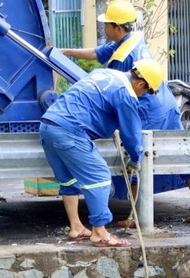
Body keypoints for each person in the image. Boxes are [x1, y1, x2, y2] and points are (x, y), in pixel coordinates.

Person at [61, 0, 190, 224]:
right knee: (182, 152)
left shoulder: (123, 59)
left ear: (117, 27)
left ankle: (136, 216)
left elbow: (116, 91)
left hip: (148, 109)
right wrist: (66, 52)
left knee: (136, 154)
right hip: (166, 103)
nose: (104, 29)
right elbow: (97, 53)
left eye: (106, 25)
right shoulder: (130, 40)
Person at [38, 60, 161, 247]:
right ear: (141, 84)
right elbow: (131, 133)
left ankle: (76, 227)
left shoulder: (105, 73)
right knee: (100, 177)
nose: (143, 95)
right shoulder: (126, 93)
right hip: (70, 130)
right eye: (146, 92)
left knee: (69, 179)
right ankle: (100, 233)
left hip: (48, 125)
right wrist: (136, 159)